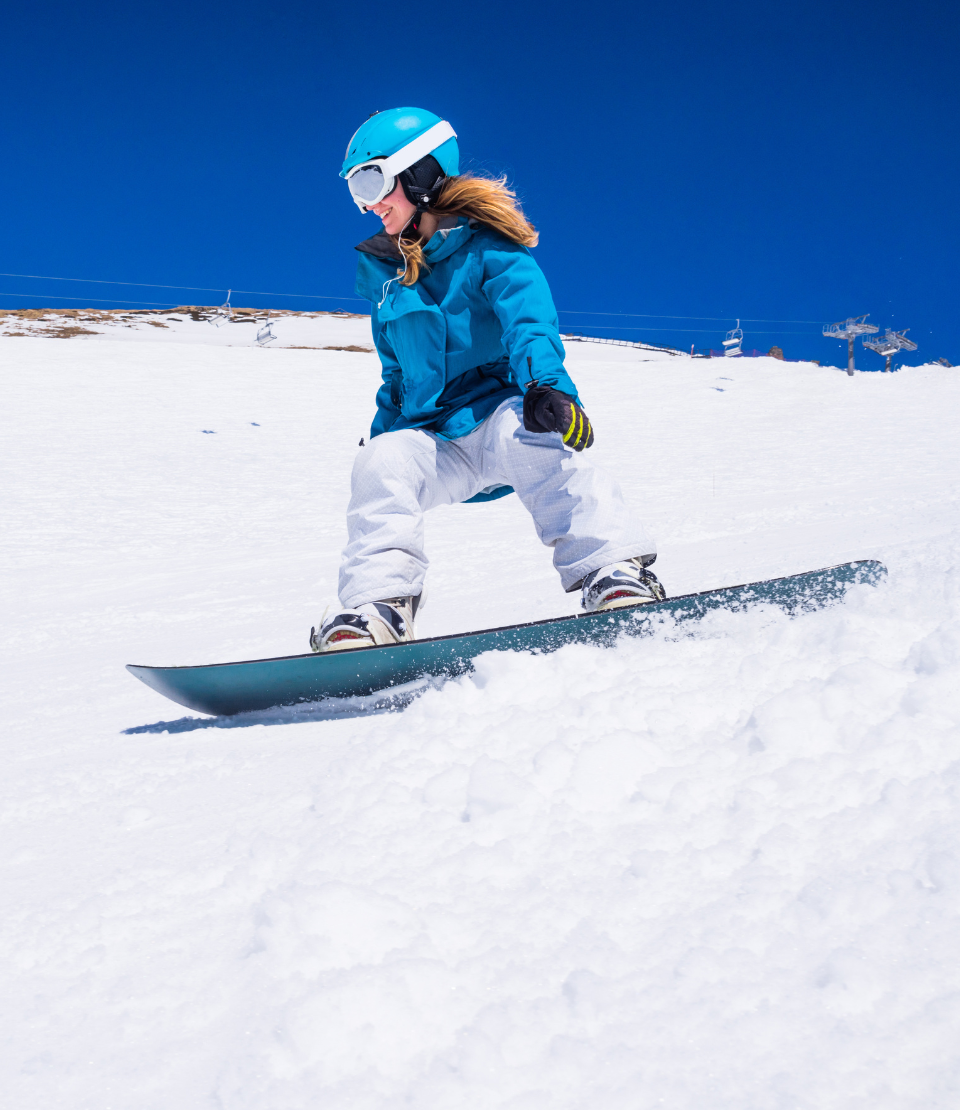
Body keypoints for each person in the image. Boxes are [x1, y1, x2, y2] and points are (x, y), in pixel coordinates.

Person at [311, 107, 664, 652]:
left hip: (495, 415)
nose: (367, 203)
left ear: (422, 174)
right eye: (355, 190)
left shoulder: (490, 251)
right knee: (381, 462)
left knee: (532, 435)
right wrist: (382, 435)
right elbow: (396, 379)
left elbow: (530, 322)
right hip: (437, 442)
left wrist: (547, 387)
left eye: (372, 180)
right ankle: (377, 608)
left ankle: (614, 572)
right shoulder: (388, 286)